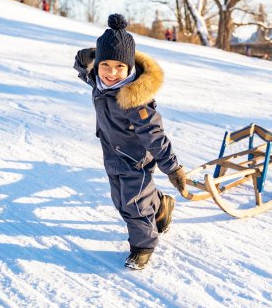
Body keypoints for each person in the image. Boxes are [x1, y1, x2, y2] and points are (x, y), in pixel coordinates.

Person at [73, 14, 188, 271]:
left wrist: (173, 168)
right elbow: (83, 67)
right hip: (111, 155)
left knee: (133, 204)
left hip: (136, 160)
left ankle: (143, 246)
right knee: (120, 200)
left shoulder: (134, 100)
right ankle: (161, 206)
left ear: (129, 68)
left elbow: (155, 136)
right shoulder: (98, 83)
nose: (112, 73)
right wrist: (86, 58)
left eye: (120, 67)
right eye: (106, 65)